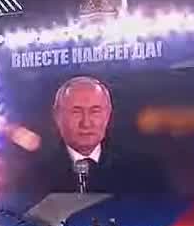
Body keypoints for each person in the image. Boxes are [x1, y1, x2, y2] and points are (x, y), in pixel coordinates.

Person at [31, 75, 169, 195]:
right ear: (57, 116)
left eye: (95, 111)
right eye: (76, 112)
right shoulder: (35, 177)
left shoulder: (144, 172)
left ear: (108, 114)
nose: (86, 123)